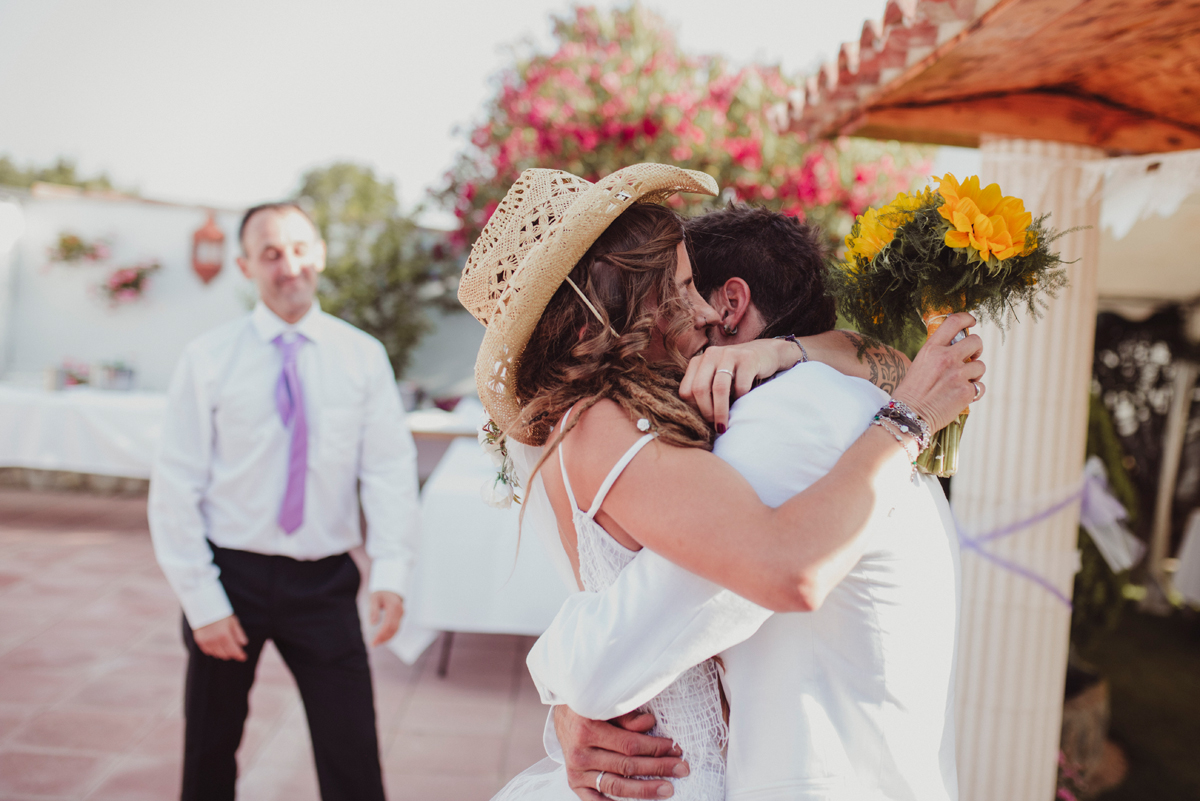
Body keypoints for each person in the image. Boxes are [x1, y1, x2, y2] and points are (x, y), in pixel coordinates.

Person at [456, 165, 983, 800]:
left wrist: (570, 698)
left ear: (734, 302)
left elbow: (641, 628)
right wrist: (909, 420)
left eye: (700, 288)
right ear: (627, 298)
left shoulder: (778, 408)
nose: (703, 312)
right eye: (681, 287)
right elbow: (741, 581)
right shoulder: (606, 425)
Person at [148, 202, 420, 801]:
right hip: (230, 577)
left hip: (323, 585)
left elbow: (388, 470)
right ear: (245, 265)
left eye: (298, 248)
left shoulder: (361, 356)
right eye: (270, 253)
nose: (288, 265)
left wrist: (392, 571)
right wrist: (201, 600)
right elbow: (175, 483)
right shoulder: (208, 358)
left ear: (319, 253)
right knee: (209, 755)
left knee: (352, 759)